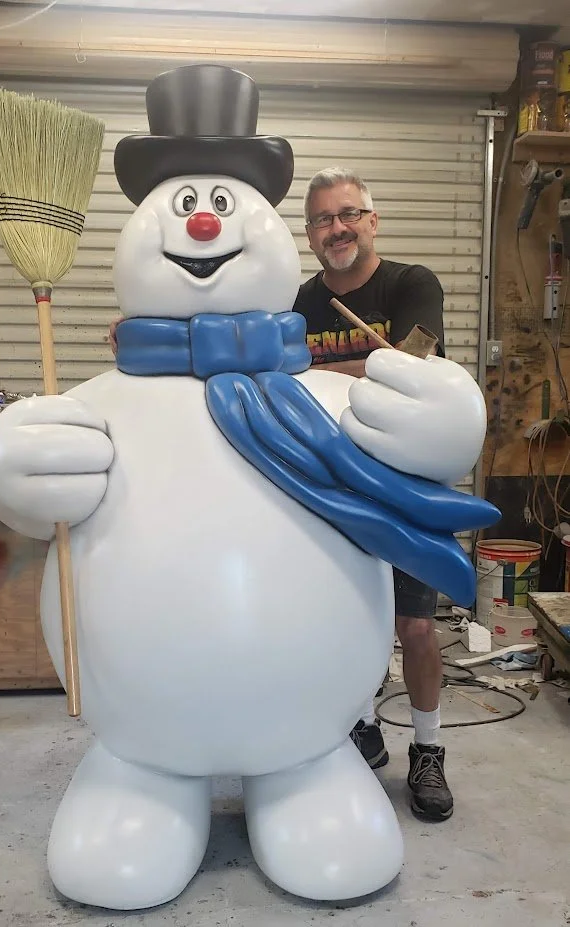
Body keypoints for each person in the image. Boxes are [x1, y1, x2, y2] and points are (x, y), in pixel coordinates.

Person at [107, 166, 453, 822]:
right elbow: (226, 349)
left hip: (402, 480)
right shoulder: (295, 302)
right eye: (322, 219)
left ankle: (430, 750)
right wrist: (142, 332)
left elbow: (416, 358)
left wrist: (306, 370)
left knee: (412, 625)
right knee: (349, 613)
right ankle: (359, 725)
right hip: (326, 476)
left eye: (348, 214)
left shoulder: (410, 283)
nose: (336, 228)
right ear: (309, 232)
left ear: (371, 221)